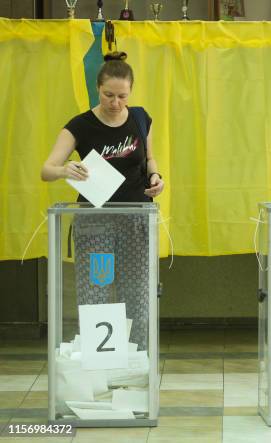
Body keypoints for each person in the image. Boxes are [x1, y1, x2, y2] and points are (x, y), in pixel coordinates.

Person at [41, 51, 163, 350]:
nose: (115, 103)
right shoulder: (80, 125)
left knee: (137, 291)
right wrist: (64, 169)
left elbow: (148, 158)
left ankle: (136, 356)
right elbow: (46, 170)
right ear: (98, 89)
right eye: (109, 95)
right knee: (95, 288)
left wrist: (157, 177)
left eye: (122, 96)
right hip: (95, 221)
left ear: (130, 91)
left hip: (136, 216)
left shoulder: (139, 118)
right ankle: (98, 357)